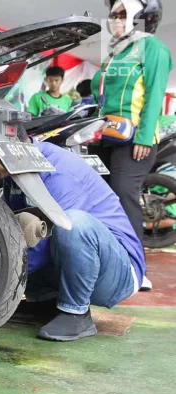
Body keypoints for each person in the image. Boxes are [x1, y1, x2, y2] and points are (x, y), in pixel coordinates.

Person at [0, 136, 145, 341]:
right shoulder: (17, 170)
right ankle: (45, 304)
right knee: (24, 227)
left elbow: (48, 239)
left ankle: (76, 314)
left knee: (72, 224)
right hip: (81, 263)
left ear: (11, 150)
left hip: (118, 273)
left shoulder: (58, 171)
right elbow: (14, 233)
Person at [90, 0, 171, 291]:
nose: (115, 20)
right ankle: (103, 262)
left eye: (123, 14)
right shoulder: (115, 52)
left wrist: (145, 136)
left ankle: (136, 268)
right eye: (113, 14)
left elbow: (154, 96)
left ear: (142, 18)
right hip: (105, 135)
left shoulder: (154, 49)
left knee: (125, 195)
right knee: (97, 195)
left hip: (134, 139)